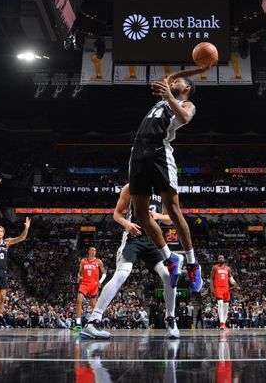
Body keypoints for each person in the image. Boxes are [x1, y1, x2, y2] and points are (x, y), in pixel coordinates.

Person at [129, 67, 212, 292]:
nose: (170, 82)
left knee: (173, 210)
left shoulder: (186, 104)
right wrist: (200, 68)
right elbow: (173, 75)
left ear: (185, 88)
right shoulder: (167, 93)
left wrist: (168, 95)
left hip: (159, 152)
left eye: (176, 82)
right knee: (140, 214)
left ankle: (193, 264)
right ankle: (170, 257)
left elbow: (185, 118)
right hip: (137, 152)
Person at [81, 184, 180, 339]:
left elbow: (170, 218)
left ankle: (171, 319)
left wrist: (158, 216)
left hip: (153, 239)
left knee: (168, 274)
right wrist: (127, 224)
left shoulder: (163, 189)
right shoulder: (131, 186)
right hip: (133, 238)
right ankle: (93, 321)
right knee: (122, 274)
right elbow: (117, 213)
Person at [74, 247, 106, 331]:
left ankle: (96, 322)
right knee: (78, 300)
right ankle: (78, 323)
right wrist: (79, 276)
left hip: (94, 284)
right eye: (92, 250)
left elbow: (104, 273)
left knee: (93, 305)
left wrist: (100, 281)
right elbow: (80, 272)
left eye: (95, 250)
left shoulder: (98, 261)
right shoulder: (83, 261)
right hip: (84, 283)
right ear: (88, 251)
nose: (94, 251)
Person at [211, 255, 236, 330]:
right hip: (218, 288)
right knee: (220, 304)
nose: (221, 258)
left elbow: (230, 277)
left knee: (226, 306)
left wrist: (234, 282)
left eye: (222, 257)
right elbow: (211, 278)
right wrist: (212, 289)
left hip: (226, 289)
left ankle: (224, 323)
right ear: (218, 260)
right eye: (219, 258)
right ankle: (221, 323)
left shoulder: (228, 268)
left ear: (224, 259)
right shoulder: (215, 267)